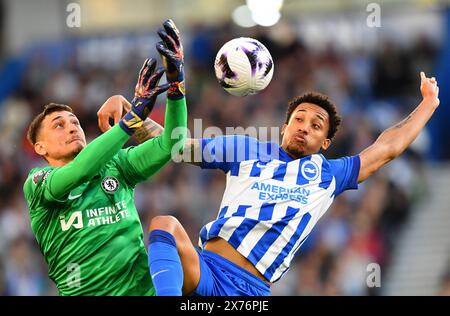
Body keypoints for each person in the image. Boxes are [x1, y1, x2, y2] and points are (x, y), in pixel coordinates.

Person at [99, 45, 440, 297]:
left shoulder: (329, 175)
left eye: (316, 125)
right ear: (283, 128)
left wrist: (427, 105)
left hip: (250, 292)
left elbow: (386, 149)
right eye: (299, 120)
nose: (305, 127)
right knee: (164, 226)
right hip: (205, 268)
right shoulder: (246, 148)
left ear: (325, 142)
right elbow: (175, 146)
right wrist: (131, 120)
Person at [23, 19, 187, 296]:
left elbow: (173, 143)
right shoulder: (38, 183)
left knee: (172, 230)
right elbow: (81, 171)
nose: (71, 127)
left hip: (142, 291)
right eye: (58, 125)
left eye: (74, 122)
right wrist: (131, 119)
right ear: (40, 148)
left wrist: (176, 84)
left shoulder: (116, 165)